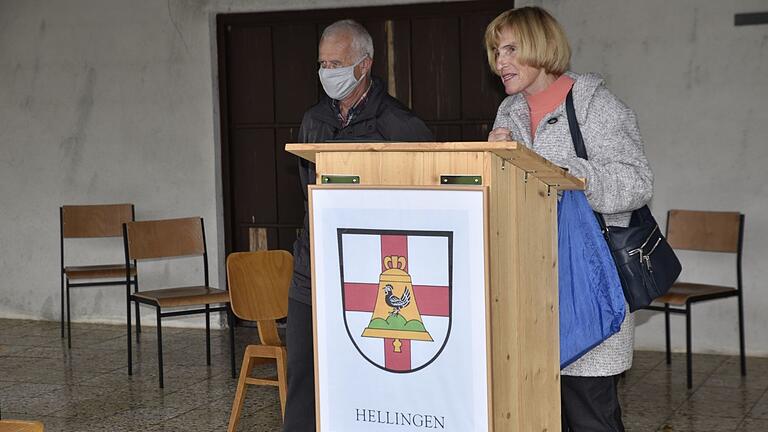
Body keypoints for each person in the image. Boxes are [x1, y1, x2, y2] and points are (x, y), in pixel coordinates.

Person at [485, 7, 653, 432]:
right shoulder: (509, 113)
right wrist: (492, 162)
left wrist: (572, 172)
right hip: (526, 284)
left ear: (542, 46)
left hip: (585, 283)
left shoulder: (596, 105)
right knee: (534, 412)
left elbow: (636, 183)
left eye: (510, 49)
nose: (499, 61)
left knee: (589, 413)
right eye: (494, 50)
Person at [283, 19, 433, 431]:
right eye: (322, 63)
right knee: (305, 377)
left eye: (337, 63)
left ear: (364, 65)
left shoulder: (401, 125)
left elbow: (425, 198)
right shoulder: (313, 120)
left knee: (367, 377)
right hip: (313, 269)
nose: (327, 72)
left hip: (374, 274)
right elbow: (307, 189)